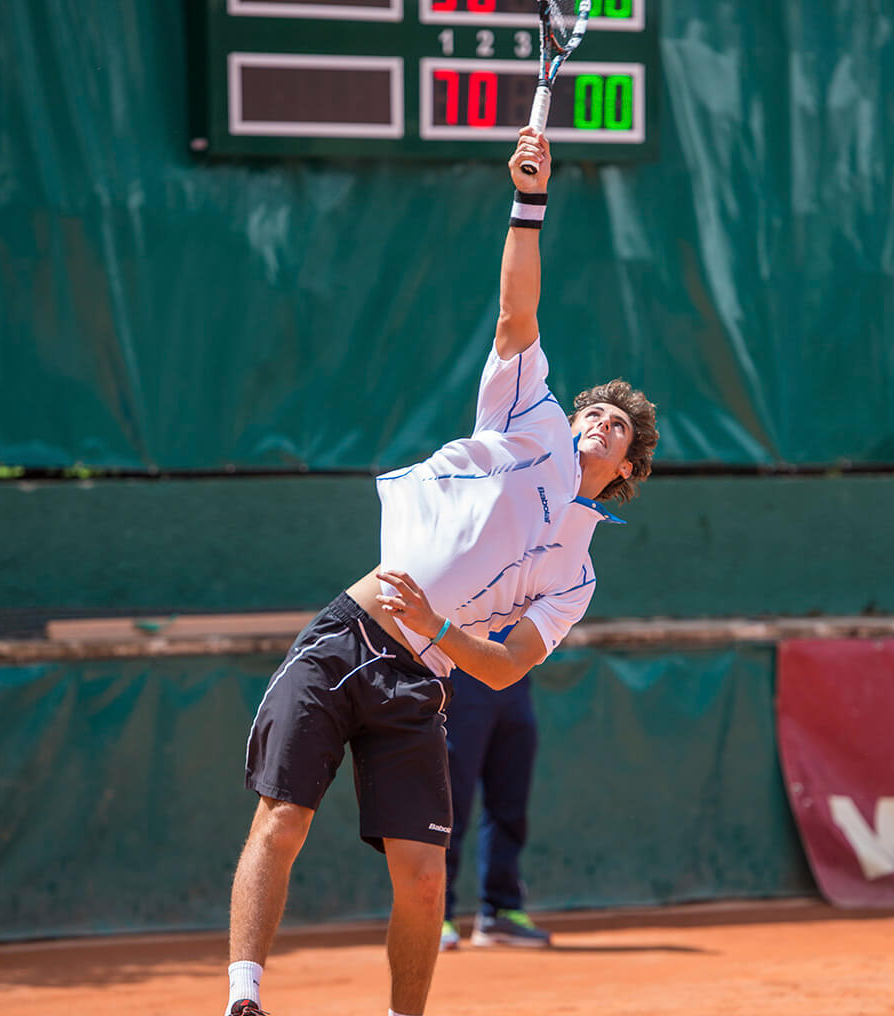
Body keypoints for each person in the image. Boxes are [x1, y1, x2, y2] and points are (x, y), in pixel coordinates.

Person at [224, 128, 658, 1016]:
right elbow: (515, 311)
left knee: (425, 883)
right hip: (348, 633)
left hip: (422, 676)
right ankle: (245, 997)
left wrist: (436, 628)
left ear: (626, 472)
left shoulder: (576, 576)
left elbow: (502, 666)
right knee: (284, 817)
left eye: (619, 429)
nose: (602, 424)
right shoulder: (528, 414)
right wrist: (529, 203)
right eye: (598, 413)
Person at [440, 635, 551, 951]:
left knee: (510, 804)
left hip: (514, 675)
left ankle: (500, 911)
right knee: (450, 807)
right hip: (460, 676)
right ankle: (435, 913)